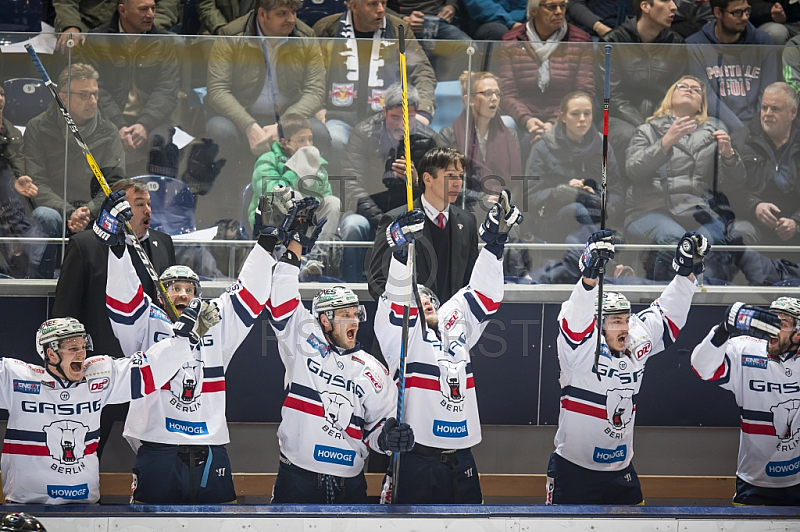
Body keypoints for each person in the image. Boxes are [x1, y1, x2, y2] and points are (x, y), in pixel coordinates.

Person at [100, 188, 284, 503]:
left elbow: (247, 295)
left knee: (219, 522)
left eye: (189, 289)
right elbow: (123, 299)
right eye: (173, 288)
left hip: (209, 446)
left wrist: (266, 244)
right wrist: (117, 249)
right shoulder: (145, 323)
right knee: (148, 523)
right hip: (158, 445)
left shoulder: (213, 322)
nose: (183, 294)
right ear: (161, 297)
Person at [373, 189, 523, 503]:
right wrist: (400, 255)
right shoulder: (402, 335)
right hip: (417, 457)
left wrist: (494, 245)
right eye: (418, 298)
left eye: (430, 297)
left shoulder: (452, 323)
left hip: (462, 457)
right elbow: (398, 302)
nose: (425, 300)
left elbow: (484, 295)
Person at [266, 198, 414, 504]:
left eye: (356, 314)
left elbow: (378, 429)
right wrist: (295, 247)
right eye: (345, 315)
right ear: (324, 319)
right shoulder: (302, 342)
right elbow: (281, 297)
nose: (354, 321)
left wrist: (389, 438)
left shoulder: (373, 370)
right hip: (298, 480)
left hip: (351, 485)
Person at [548, 229, 708, 504]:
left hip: (621, 472)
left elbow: (667, 314)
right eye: (615, 321)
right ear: (597, 325)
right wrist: (589, 277)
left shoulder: (636, 338)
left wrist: (686, 271)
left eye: (625, 320)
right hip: (573, 471)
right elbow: (574, 319)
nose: (624, 328)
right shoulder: (578, 349)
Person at [0, 309, 212, 504]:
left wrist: (184, 342)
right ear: (51, 354)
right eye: (73, 348)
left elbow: (150, 370)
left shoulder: (99, 375)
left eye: (83, 346)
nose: (81, 354)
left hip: (85, 506)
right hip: (27, 505)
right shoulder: (16, 379)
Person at [205, 0, 327, 221]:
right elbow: (217, 90)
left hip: (289, 115)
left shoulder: (305, 36)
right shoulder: (232, 35)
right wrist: (248, 125)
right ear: (262, 14)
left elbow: (316, 90)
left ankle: (313, 213)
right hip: (242, 114)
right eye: (282, 13)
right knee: (219, 130)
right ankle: (226, 218)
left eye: (293, 12)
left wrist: (283, 126)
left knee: (320, 132)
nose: (291, 19)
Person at [625, 75, 744, 281]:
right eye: (683, 87)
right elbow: (633, 170)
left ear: (701, 106)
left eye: (696, 90)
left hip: (697, 211)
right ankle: (662, 294)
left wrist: (729, 156)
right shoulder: (648, 130)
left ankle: (702, 294)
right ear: (670, 97)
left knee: (711, 242)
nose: (689, 90)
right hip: (650, 209)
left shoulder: (713, 133)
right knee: (678, 240)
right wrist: (665, 142)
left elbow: (734, 185)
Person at [690, 297, 800, 504]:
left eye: (782, 324)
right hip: (752, 483)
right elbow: (701, 368)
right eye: (771, 321)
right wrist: (723, 330)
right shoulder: (745, 349)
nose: (772, 329)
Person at [54, 178, 175, 358]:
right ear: (119, 208)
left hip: (153, 357)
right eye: (139, 204)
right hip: (102, 357)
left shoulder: (163, 243)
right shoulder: (85, 245)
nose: (148, 210)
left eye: (149, 204)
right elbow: (66, 308)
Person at [339, 83, 437, 283]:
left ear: (416, 113)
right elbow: (352, 185)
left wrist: (416, 182)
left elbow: (437, 192)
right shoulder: (363, 134)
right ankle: (351, 286)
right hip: (370, 213)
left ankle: (421, 287)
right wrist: (384, 221)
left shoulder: (428, 139)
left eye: (408, 118)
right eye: (395, 118)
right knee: (353, 225)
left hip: (410, 214)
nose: (402, 125)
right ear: (384, 112)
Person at [313, 0, 437, 152]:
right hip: (338, 117)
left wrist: (423, 110)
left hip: (386, 120)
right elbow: (311, 73)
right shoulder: (327, 28)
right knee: (334, 139)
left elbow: (423, 71)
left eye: (383, 3)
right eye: (372, 4)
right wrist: (317, 107)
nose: (381, 9)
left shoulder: (399, 28)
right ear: (354, 6)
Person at [22, 63, 125, 240]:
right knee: (45, 216)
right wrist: (69, 212)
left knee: (116, 216)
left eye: (95, 94)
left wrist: (88, 211)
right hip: (56, 209)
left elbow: (114, 184)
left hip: (94, 212)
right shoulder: (37, 128)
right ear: (63, 97)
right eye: (84, 95)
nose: (93, 101)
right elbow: (36, 182)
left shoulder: (109, 131)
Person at [80, 0, 180, 176]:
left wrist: (145, 124)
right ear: (123, 10)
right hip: (107, 120)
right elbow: (95, 89)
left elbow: (167, 90)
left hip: (153, 121)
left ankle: (159, 193)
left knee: (162, 143)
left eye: (153, 8)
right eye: (143, 9)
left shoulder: (164, 41)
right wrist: (117, 125)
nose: (151, 14)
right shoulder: (97, 40)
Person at [368, 147, 478, 303]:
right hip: (411, 316)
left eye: (460, 176)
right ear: (427, 179)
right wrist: (411, 309)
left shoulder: (467, 221)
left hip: (453, 317)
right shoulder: (395, 220)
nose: (458, 183)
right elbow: (377, 282)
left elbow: (472, 280)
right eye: (450, 176)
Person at [601, 0, 686, 173]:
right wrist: (644, 126)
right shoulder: (613, 41)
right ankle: (625, 187)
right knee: (628, 135)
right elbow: (612, 97)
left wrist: (658, 120)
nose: (674, 7)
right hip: (622, 117)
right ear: (645, 6)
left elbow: (676, 91)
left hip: (662, 114)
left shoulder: (676, 43)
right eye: (665, 0)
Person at [526, 91, 622, 245]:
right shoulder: (543, 147)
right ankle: (600, 250)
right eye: (575, 114)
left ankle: (580, 248)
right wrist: (561, 191)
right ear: (563, 117)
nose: (582, 119)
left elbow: (617, 193)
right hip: (552, 217)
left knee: (585, 220)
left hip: (596, 212)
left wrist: (596, 195)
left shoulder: (604, 146)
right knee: (577, 209)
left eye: (587, 113)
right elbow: (530, 197)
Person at [498, 0, 595, 146]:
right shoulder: (511, 40)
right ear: (534, 11)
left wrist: (553, 123)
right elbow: (507, 93)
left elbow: (584, 92)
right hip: (522, 119)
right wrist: (528, 120)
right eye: (551, 7)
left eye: (562, 6)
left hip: (565, 120)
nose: (559, 11)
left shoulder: (580, 40)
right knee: (504, 124)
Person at [686, 0, 777, 132]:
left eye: (747, 11)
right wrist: (742, 132)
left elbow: (768, 90)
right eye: (737, 13)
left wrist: (757, 127)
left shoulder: (763, 42)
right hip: (718, 124)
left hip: (759, 124)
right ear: (718, 12)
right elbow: (706, 95)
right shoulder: (695, 44)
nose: (745, 17)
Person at [249, 114, 340, 243]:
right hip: (272, 223)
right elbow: (272, 193)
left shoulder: (316, 163)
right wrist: (295, 170)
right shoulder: (267, 159)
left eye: (310, 139)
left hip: (306, 224)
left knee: (332, 202)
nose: (308, 145)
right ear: (285, 142)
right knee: (292, 196)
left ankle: (319, 250)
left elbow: (324, 195)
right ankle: (289, 250)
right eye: (301, 140)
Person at [435, 71, 522, 207]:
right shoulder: (448, 135)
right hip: (463, 206)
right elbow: (444, 181)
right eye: (487, 94)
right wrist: (481, 198)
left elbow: (517, 181)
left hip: (502, 206)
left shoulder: (511, 135)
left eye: (497, 94)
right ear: (469, 100)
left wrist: (504, 202)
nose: (494, 98)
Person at [732, 82, 800, 245]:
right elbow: (728, 191)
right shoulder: (740, 141)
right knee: (739, 232)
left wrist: (797, 222)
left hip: (795, 223)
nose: (768, 114)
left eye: (775, 109)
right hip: (753, 222)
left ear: (793, 112)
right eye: (764, 108)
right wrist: (755, 206)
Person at [53, 0, 178, 53]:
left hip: (137, 23)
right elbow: (66, 2)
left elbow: (167, 4)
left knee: (177, 43)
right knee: (70, 44)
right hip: (86, 24)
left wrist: (147, 24)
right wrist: (71, 25)